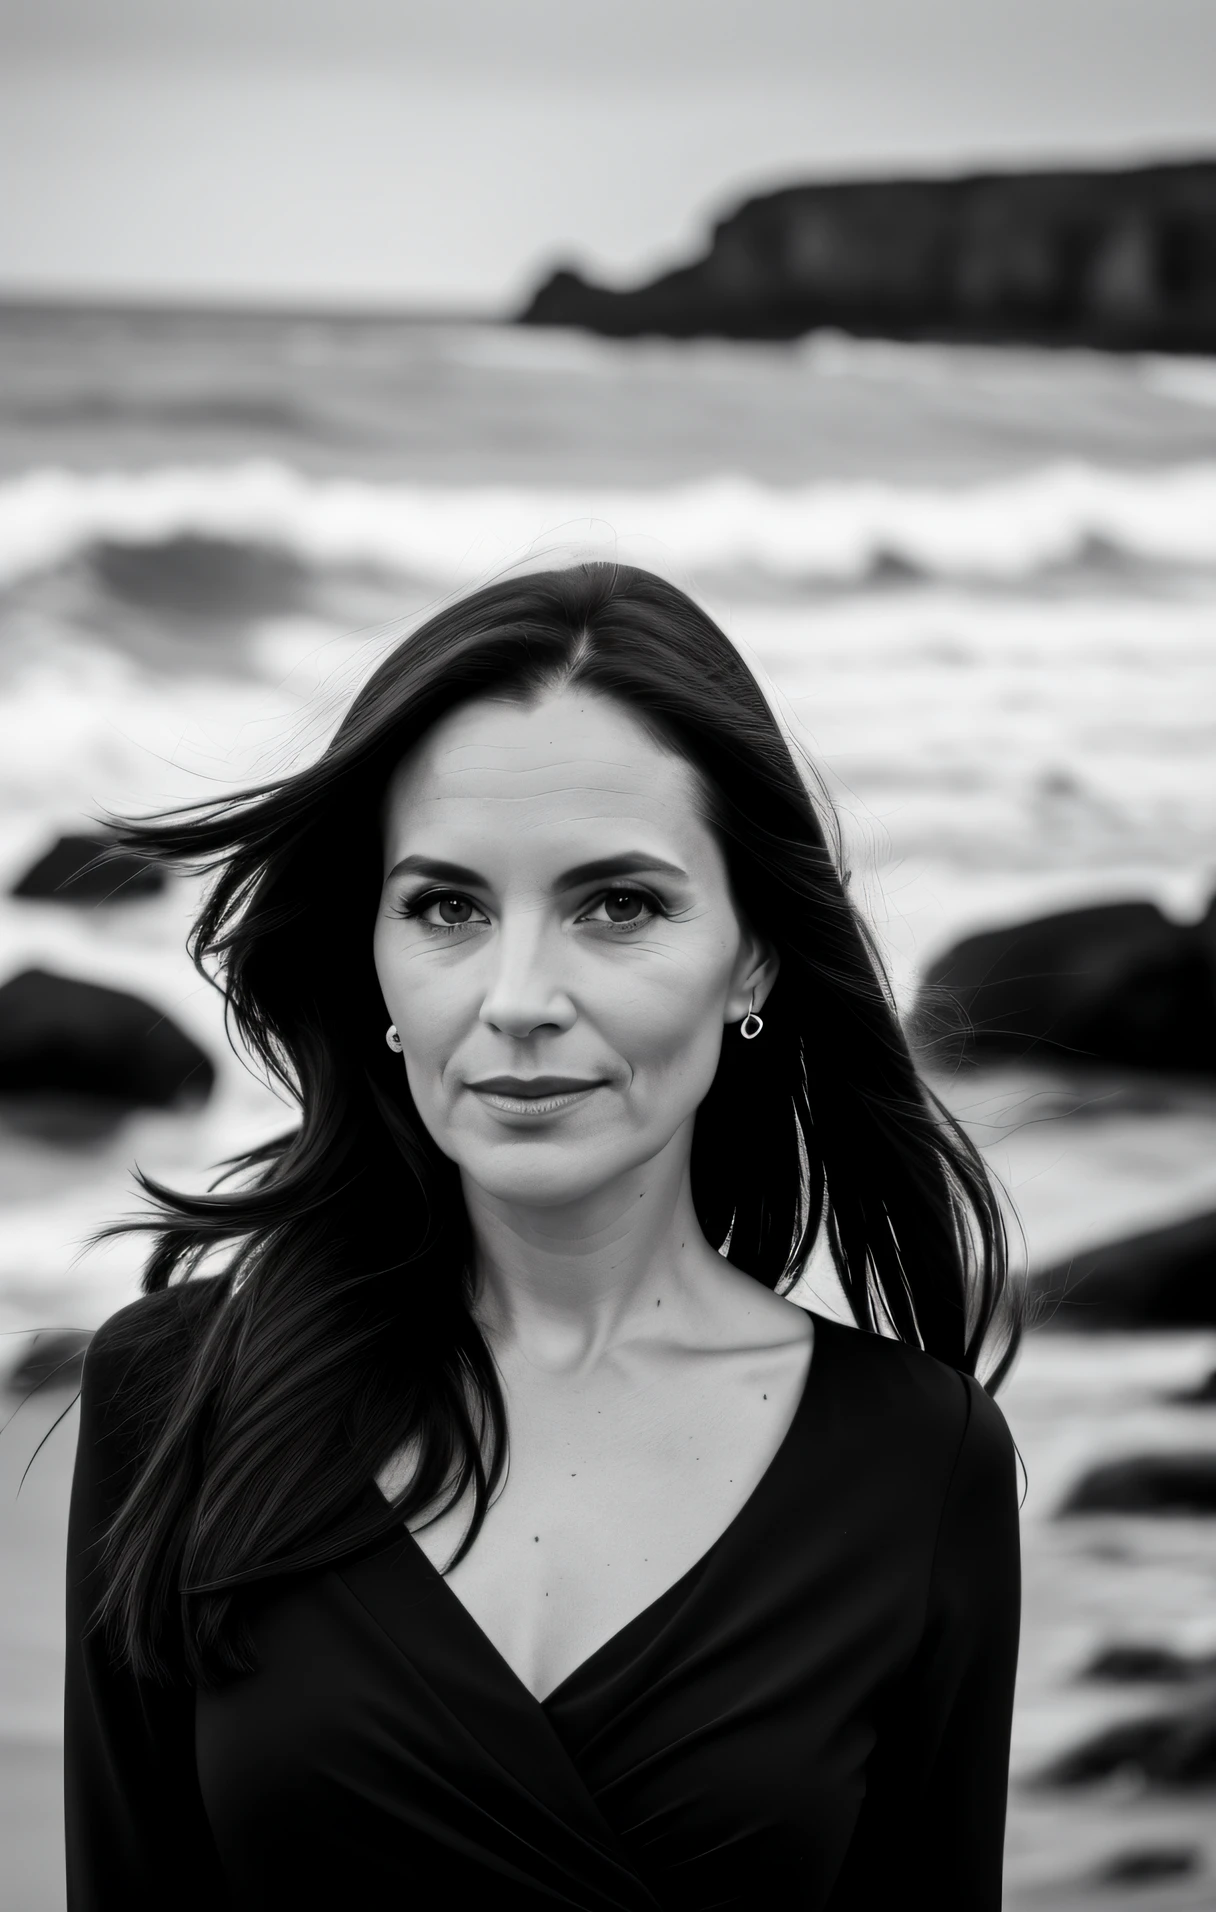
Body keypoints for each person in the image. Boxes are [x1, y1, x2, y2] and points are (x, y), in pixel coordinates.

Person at [64, 555, 1023, 1910]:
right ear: (375, 954)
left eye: (617, 904)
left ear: (752, 956)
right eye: (447, 907)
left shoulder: (920, 1468)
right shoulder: (174, 1399)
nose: (518, 997)